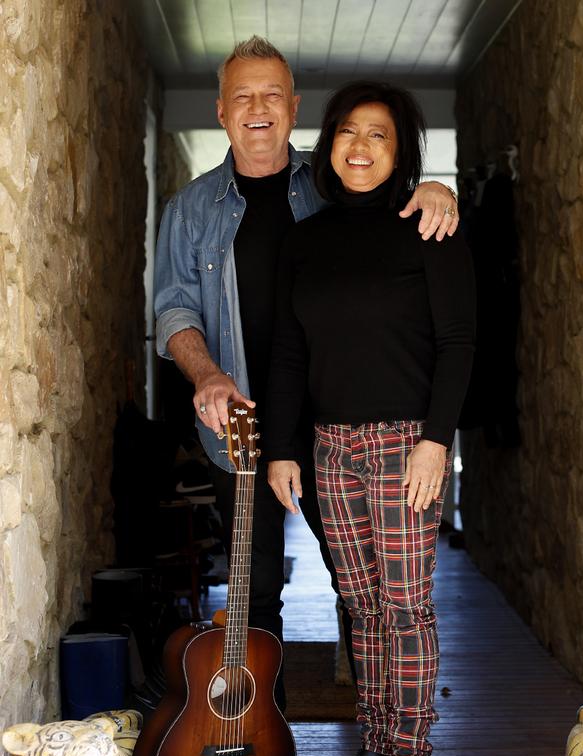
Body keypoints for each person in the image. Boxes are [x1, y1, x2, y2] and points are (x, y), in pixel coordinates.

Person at [153, 36, 461, 712]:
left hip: (330, 426)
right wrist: (205, 374)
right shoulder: (189, 210)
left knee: (362, 581)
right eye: (242, 96)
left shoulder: (328, 185)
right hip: (236, 429)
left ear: (293, 109)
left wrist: (434, 188)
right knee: (256, 585)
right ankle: (262, 722)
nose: (257, 108)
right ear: (221, 111)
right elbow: (173, 305)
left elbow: (386, 207)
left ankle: (377, 723)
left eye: (271, 95)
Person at [265, 82, 475, 756]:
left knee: (406, 606)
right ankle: (379, 750)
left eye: (378, 135)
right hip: (328, 449)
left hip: (403, 444)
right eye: (348, 132)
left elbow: (457, 344)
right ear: (329, 146)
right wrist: (285, 449)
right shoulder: (304, 240)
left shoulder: (428, 226)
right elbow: (289, 353)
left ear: (401, 151)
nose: (360, 146)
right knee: (361, 608)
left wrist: (436, 441)